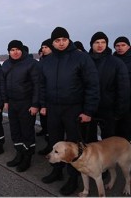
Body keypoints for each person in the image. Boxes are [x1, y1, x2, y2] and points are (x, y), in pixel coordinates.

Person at [39, 27, 100, 196]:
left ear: (68, 40)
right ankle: (56, 171)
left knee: (73, 146)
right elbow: (42, 86)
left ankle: (73, 178)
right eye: (57, 40)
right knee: (55, 140)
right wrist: (43, 104)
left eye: (63, 39)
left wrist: (88, 111)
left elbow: (92, 85)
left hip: (74, 108)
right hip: (53, 108)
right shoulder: (47, 61)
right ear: (52, 42)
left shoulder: (81, 58)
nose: (60, 43)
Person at [2, 40, 40, 172]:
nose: (15, 52)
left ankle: (27, 157)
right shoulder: (6, 64)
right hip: (12, 103)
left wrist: (35, 104)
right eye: (12, 50)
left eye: (17, 49)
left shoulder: (31, 63)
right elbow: (4, 84)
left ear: (22, 50)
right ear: (9, 52)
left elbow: (37, 85)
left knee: (27, 131)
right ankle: (19, 153)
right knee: (15, 130)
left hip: (26, 103)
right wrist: (5, 101)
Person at [87, 32, 130, 142]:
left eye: (103, 42)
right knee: (89, 142)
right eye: (97, 42)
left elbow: (123, 89)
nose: (100, 45)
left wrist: (119, 111)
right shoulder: (85, 61)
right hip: (89, 109)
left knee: (109, 142)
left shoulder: (116, 62)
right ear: (91, 44)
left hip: (108, 110)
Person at [37, 39, 53, 156]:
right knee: (48, 124)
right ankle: (50, 145)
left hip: (55, 99)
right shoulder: (42, 62)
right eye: (42, 47)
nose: (43, 49)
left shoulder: (54, 61)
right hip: (44, 98)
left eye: (46, 47)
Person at [113, 36, 131, 141]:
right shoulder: (113, 59)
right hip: (116, 99)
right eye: (117, 45)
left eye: (123, 45)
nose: (120, 48)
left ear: (128, 46)